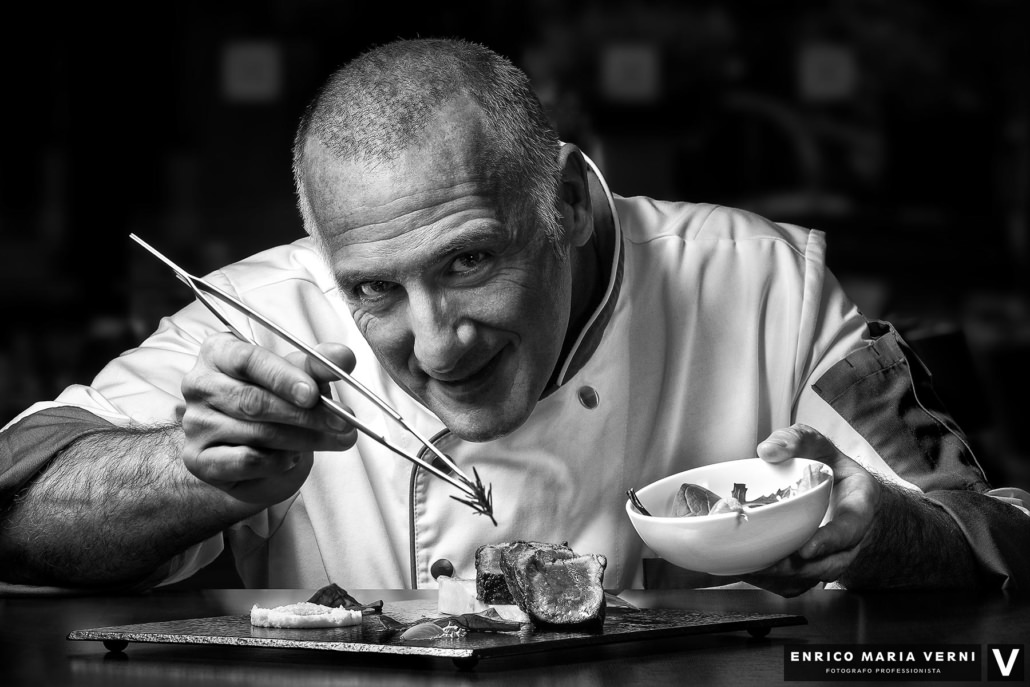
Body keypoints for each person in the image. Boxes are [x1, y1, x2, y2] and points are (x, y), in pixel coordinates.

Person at [0, 38, 1026, 596]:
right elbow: (19, 498)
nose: (437, 343)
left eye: (471, 260)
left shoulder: (764, 282)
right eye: (374, 289)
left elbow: (994, 537)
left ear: (571, 203)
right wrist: (188, 473)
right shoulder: (263, 314)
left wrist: (877, 533)